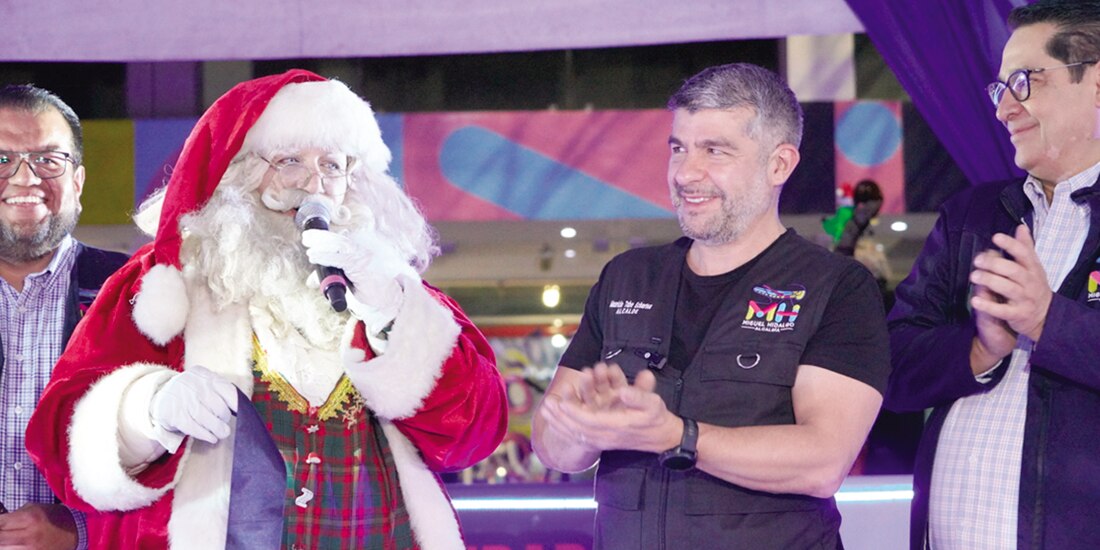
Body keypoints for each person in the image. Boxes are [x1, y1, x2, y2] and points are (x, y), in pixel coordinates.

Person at [25, 70, 508, 549]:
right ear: (238, 172)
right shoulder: (160, 284)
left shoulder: (391, 287)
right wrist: (147, 410)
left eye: (333, 165)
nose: (313, 185)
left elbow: (476, 433)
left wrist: (394, 317)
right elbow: (58, 437)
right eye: (290, 160)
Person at [531, 63, 891, 549]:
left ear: (779, 164)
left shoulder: (837, 287)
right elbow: (552, 447)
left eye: (714, 151)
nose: (685, 173)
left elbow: (824, 461)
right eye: (678, 148)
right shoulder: (627, 276)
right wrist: (585, 427)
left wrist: (676, 436)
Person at [886, 2, 1100, 548]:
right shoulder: (973, 217)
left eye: (1024, 82)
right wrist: (979, 349)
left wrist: (1050, 320)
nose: (1004, 109)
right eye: (999, 89)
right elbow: (892, 365)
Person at [0, 85, 128, 550]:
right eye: (2, 160)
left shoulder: (134, 291)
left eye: (48, 161)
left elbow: (183, 462)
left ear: (77, 181)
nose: (23, 179)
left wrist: (83, 529)